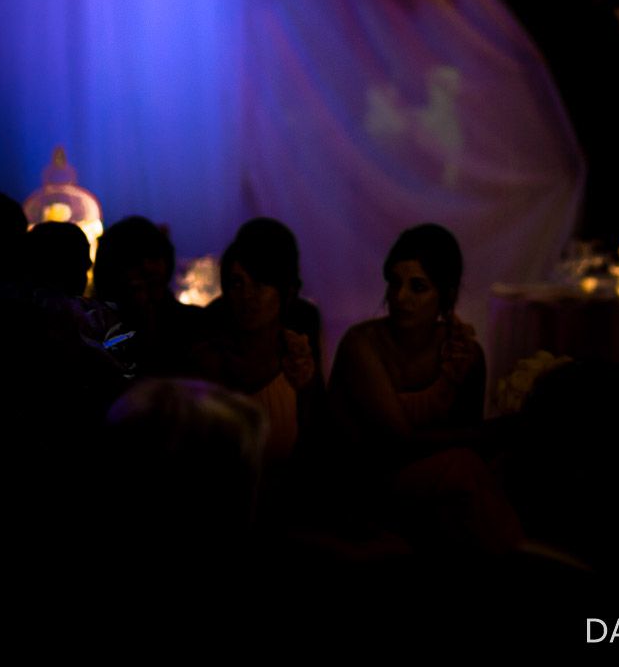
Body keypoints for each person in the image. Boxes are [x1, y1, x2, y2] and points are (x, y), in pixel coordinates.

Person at [330, 223, 518, 554]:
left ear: (445, 294)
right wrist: (503, 431)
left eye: (418, 287)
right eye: (394, 283)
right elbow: (397, 441)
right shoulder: (362, 345)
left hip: (430, 488)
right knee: (461, 467)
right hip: (360, 485)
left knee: (482, 473)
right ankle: (524, 562)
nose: (400, 297)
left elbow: (469, 438)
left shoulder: (464, 354)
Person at [187, 218, 321, 468]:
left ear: (287, 292)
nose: (246, 296)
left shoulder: (297, 360)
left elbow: (310, 446)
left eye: (259, 283)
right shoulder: (207, 360)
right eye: (237, 283)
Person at [93, 215, 205, 376]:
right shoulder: (97, 330)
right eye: (133, 260)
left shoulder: (196, 322)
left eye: (154, 257)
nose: (147, 268)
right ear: (112, 271)